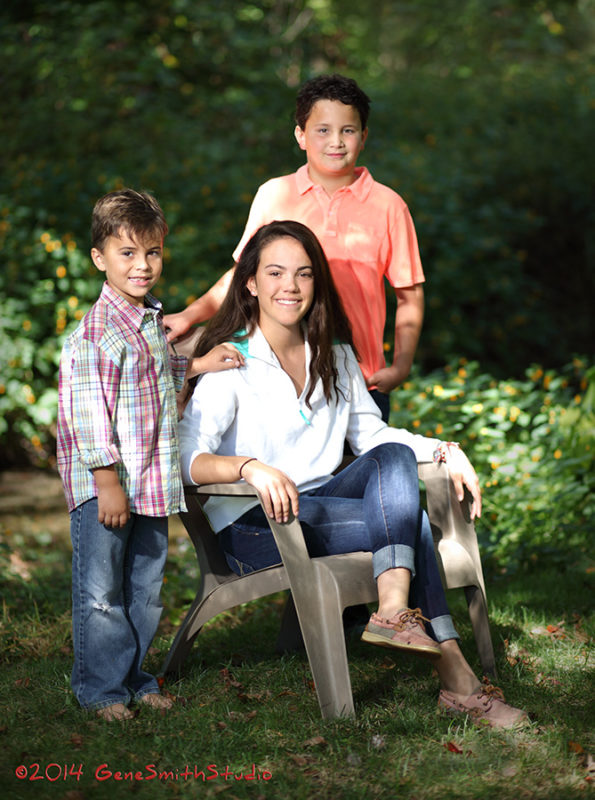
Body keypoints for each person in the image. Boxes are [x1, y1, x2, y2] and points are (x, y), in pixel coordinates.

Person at [177, 220, 528, 729]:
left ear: (316, 283)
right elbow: (188, 456)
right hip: (256, 525)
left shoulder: (335, 357)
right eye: (275, 273)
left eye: (302, 274)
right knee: (414, 526)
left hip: (321, 502)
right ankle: (459, 682)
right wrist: (248, 467)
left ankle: (391, 611)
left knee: (393, 459)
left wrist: (446, 450)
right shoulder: (231, 360)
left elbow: (376, 438)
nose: (289, 287)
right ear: (250, 283)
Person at [56, 189, 243, 722]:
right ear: (100, 258)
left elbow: (155, 379)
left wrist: (198, 365)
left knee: (144, 589)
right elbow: (88, 413)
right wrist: (106, 480)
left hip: (150, 482)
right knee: (102, 593)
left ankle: (136, 677)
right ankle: (101, 690)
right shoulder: (96, 333)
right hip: (107, 487)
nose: (142, 265)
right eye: (127, 254)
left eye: (153, 253)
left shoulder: (147, 321)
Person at [165, 74, 425, 423]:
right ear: (301, 135)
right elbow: (242, 276)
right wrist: (189, 315)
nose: (336, 141)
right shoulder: (275, 194)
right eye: (322, 130)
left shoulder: (389, 207)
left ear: (364, 136)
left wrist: (400, 367)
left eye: (348, 130)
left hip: (360, 381)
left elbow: (410, 297)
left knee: (365, 474)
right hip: (276, 378)